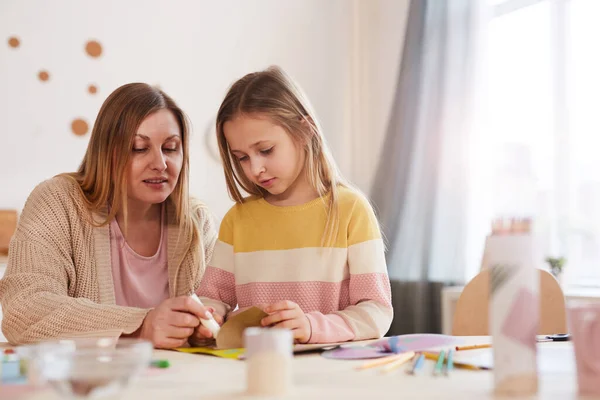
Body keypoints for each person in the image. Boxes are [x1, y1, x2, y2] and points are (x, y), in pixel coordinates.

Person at [0, 83, 219, 348]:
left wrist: (206, 325)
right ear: (107, 153)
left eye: (171, 148)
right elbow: (24, 311)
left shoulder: (196, 222)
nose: (160, 163)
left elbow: (213, 305)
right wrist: (142, 326)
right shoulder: (57, 202)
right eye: (139, 148)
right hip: (85, 384)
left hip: (172, 382)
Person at [192, 66, 393, 344]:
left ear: (305, 130)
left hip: (331, 371)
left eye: (265, 150)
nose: (255, 169)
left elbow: (377, 311)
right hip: (258, 368)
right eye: (242, 157)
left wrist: (312, 327)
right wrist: (208, 317)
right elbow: (212, 299)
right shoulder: (238, 219)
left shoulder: (350, 210)